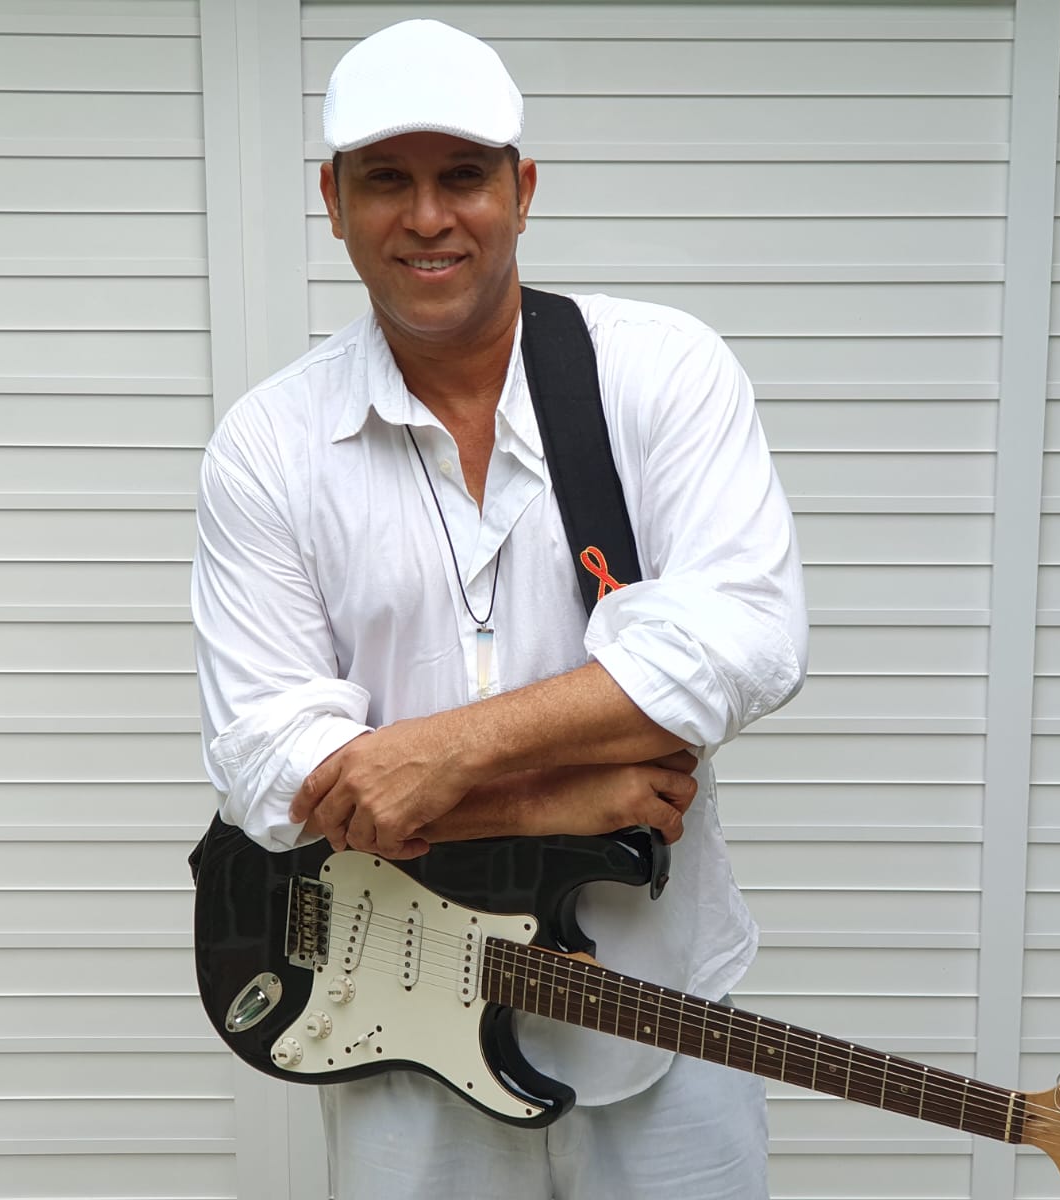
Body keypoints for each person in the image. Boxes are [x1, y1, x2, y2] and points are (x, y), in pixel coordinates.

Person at [191, 18, 807, 1199]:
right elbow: (267, 769)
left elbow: (744, 645)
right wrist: (559, 795)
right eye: (387, 179)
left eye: (463, 176)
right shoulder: (268, 446)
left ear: (521, 192)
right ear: (333, 202)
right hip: (397, 1026)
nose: (428, 217)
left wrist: (437, 758)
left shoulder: (660, 372)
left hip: (662, 1014)